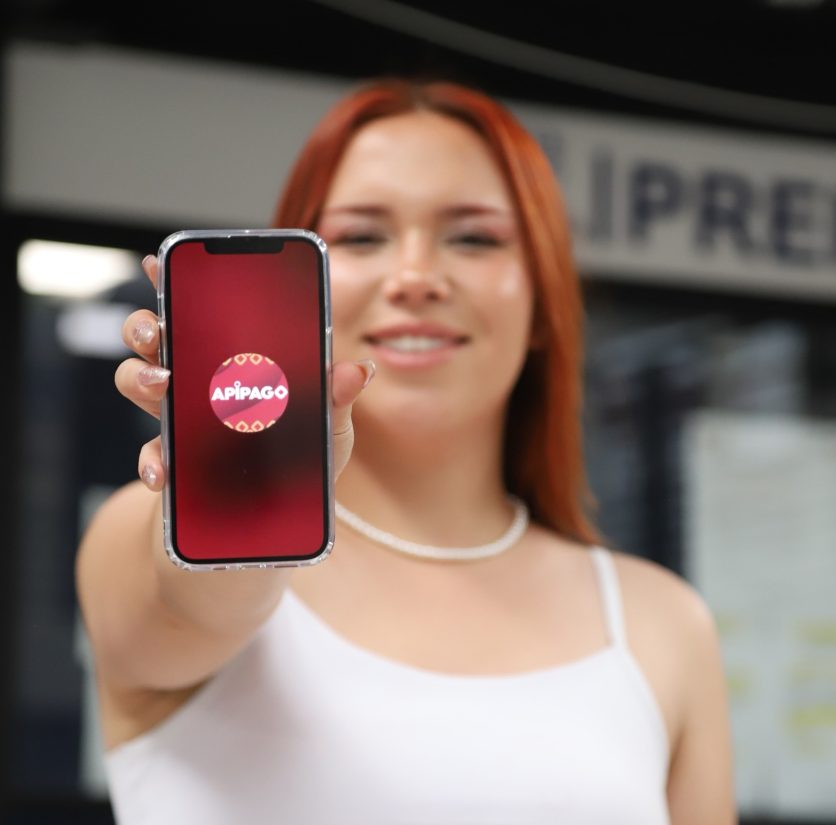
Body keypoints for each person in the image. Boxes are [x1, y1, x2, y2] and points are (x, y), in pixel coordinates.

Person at [77, 78, 736, 825]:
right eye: (362, 236)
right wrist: (241, 443)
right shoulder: (160, 536)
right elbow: (199, 602)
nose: (416, 278)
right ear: (300, 283)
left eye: (474, 238)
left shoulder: (662, 623)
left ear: (542, 300)